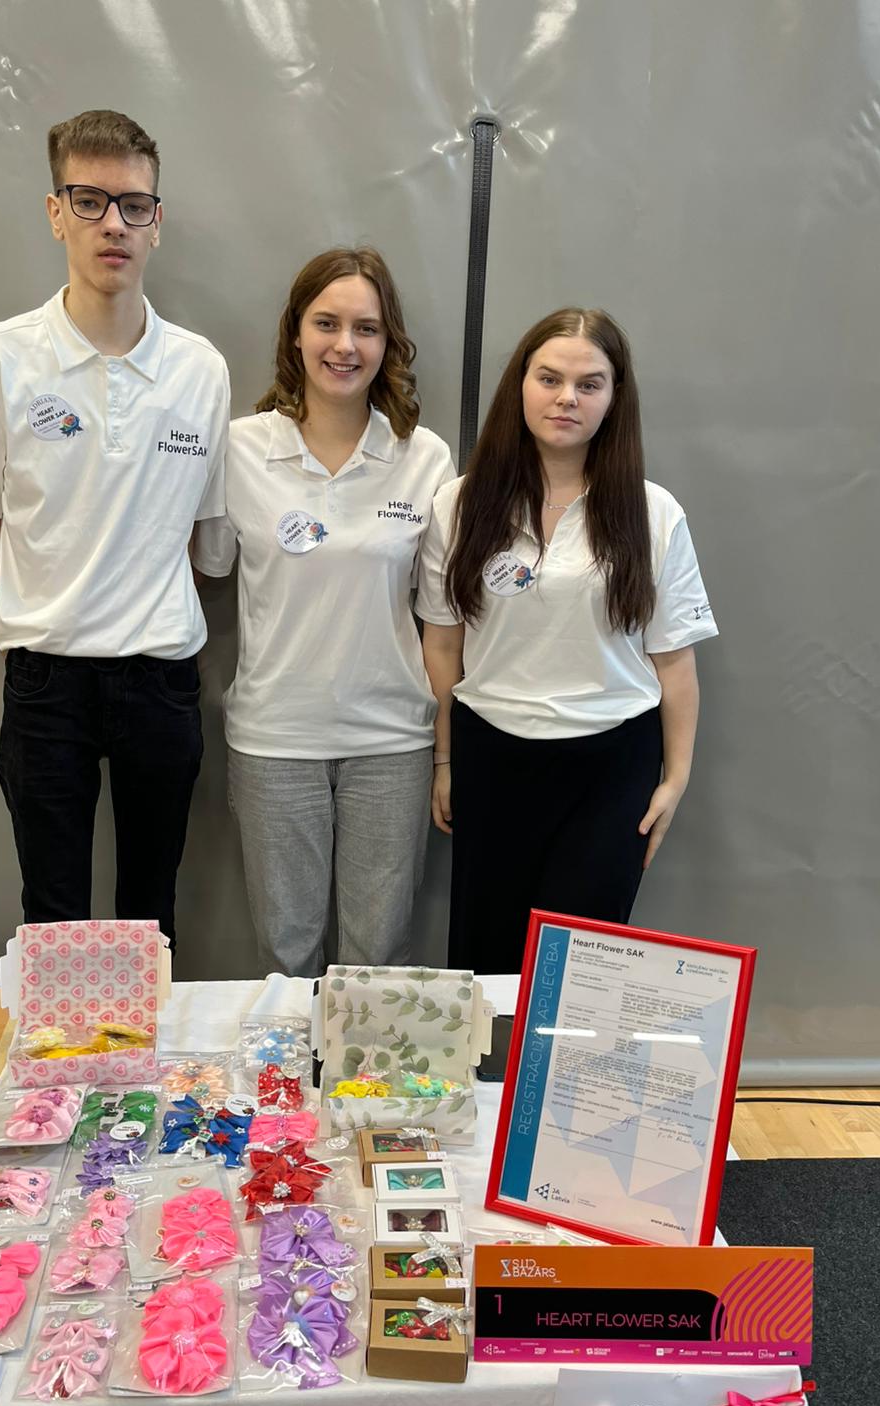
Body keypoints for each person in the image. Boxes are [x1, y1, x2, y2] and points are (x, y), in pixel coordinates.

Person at [0, 109, 229, 947]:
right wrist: (39, 642)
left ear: (157, 222)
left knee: (150, 914)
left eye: (134, 205)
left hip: (161, 677)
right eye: (89, 201)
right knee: (53, 916)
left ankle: (146, 1042)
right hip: (46, 683)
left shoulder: (199, 370)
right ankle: (56, 1045)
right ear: (55, 213)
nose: (112, 225)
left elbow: (200, 542)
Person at [417, 308, 718, 973]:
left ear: (614, 398)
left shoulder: (653, 513)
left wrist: (676, 778)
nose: (566, 399)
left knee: (579, 972)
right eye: (549, 378)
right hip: (491, 754)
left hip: (611, 766)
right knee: (488, 962)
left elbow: (675, 659)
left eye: (589, 384)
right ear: (520, 384)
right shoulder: (460, 504)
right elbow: (441, 646)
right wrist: (444, 760)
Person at [193, 247, 455, 976]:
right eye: (327, 323)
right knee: (286, 956)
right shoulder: (239, 449)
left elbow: (443, 628)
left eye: (366, 328)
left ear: (388, 341)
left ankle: (364, 1065)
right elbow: (205, 568)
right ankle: (293, 1062)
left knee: (379, 963)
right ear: (296, 332)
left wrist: (445, 753)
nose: (345, 345)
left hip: (392, 742)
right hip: (275, 739)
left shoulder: (425, 458)